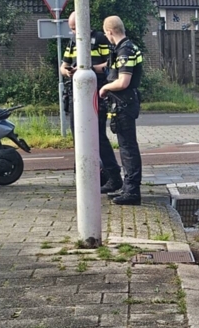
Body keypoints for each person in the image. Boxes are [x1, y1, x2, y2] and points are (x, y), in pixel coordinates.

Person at [60, 14, 123, 194]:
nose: (73, 31)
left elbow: (110, 64)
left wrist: (87, 68)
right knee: (78, 135)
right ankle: (87, 174)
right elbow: (63, 65)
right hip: (75, 93)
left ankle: (113, 176)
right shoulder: (72, 42)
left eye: (75, 28)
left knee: (97, 136)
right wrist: (67, 71)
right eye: (71, 28)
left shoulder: (101, 39)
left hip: (97, 91)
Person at [100, 16, 143, 206]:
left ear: (109, 32)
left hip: (125, 103)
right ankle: (127, 188)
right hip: (124, 103)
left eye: (106, 33)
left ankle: (132, 192)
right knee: (126, 148)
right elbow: (111, 69)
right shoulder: (124, 48)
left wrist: (105, 88)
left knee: (128, 149)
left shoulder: (125, 50)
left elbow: (123, 81)